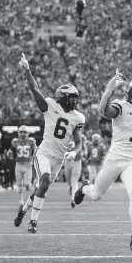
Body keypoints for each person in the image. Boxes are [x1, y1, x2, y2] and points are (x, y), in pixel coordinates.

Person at [74, 71, 132, 251]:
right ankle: (84, 187)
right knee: (96, 195)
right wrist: (109, 90)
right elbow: (103, 111)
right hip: (114, 158)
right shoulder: (121, 106)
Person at [14, 53, 85, 233]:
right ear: (62, 97)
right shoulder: (50, 105)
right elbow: (35, 89)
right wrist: (27, 70)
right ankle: (33, 222)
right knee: (44, 183)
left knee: (40, 188)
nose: (75, 100)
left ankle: (23, 210)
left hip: (59, 159)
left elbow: (78, 143)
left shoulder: (78, 117)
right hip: (44, 153)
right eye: (71, 97)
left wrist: (74, 152)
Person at [7, 125, 36, 207]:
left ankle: (30, 197)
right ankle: (21, 202)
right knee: (19, 185)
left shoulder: (31, 141)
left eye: (25, 132)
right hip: (19, 164)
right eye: (21, 132)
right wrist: (9, 154)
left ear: (28, 133)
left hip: (28, 164)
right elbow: (11, 152)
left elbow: (35, 151)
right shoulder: (15, 141)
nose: (23, 134)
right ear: (18, 133)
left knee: (27, 184)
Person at [65, 134, 87, 208]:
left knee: (74, 181)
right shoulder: (66, 135)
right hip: (68, 161)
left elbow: (84, 149)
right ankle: (70, 186)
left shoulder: (81, 136)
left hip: (77, 161)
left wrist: (83, 153)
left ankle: (73, 200)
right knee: (69, 180)